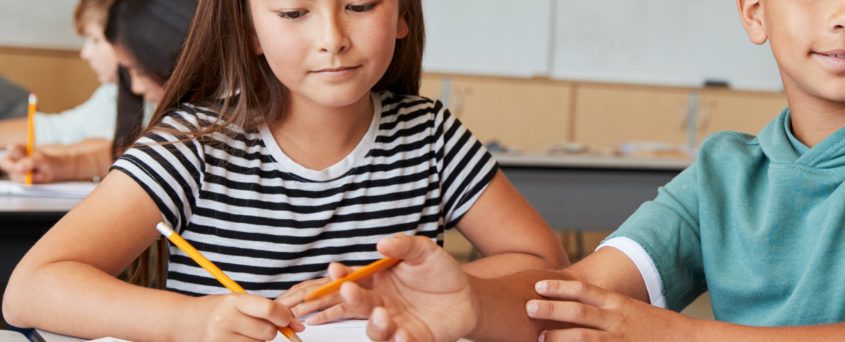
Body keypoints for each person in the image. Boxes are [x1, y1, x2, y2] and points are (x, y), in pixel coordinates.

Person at [336, 0, 845, 341]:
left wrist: (675, 334)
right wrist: (471, 305)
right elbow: (576, 294)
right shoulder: (726, 170)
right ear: (754, 12)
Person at [1, 0, 568, 340]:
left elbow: (546, 267)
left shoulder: (429, 134)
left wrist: (437, 294)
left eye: (362, 4)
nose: (333, 38)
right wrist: (192, 323)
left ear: (401, 13)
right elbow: (31, 288)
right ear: (248, 27)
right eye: (295, 12)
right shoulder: (195, 144)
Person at [0, 0, 120, 182]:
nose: (84, 53)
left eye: (96, 40)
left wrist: (51, 159)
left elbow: (125, 148)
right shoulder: (110, 93)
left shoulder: (153, 97)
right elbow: (59, 129)